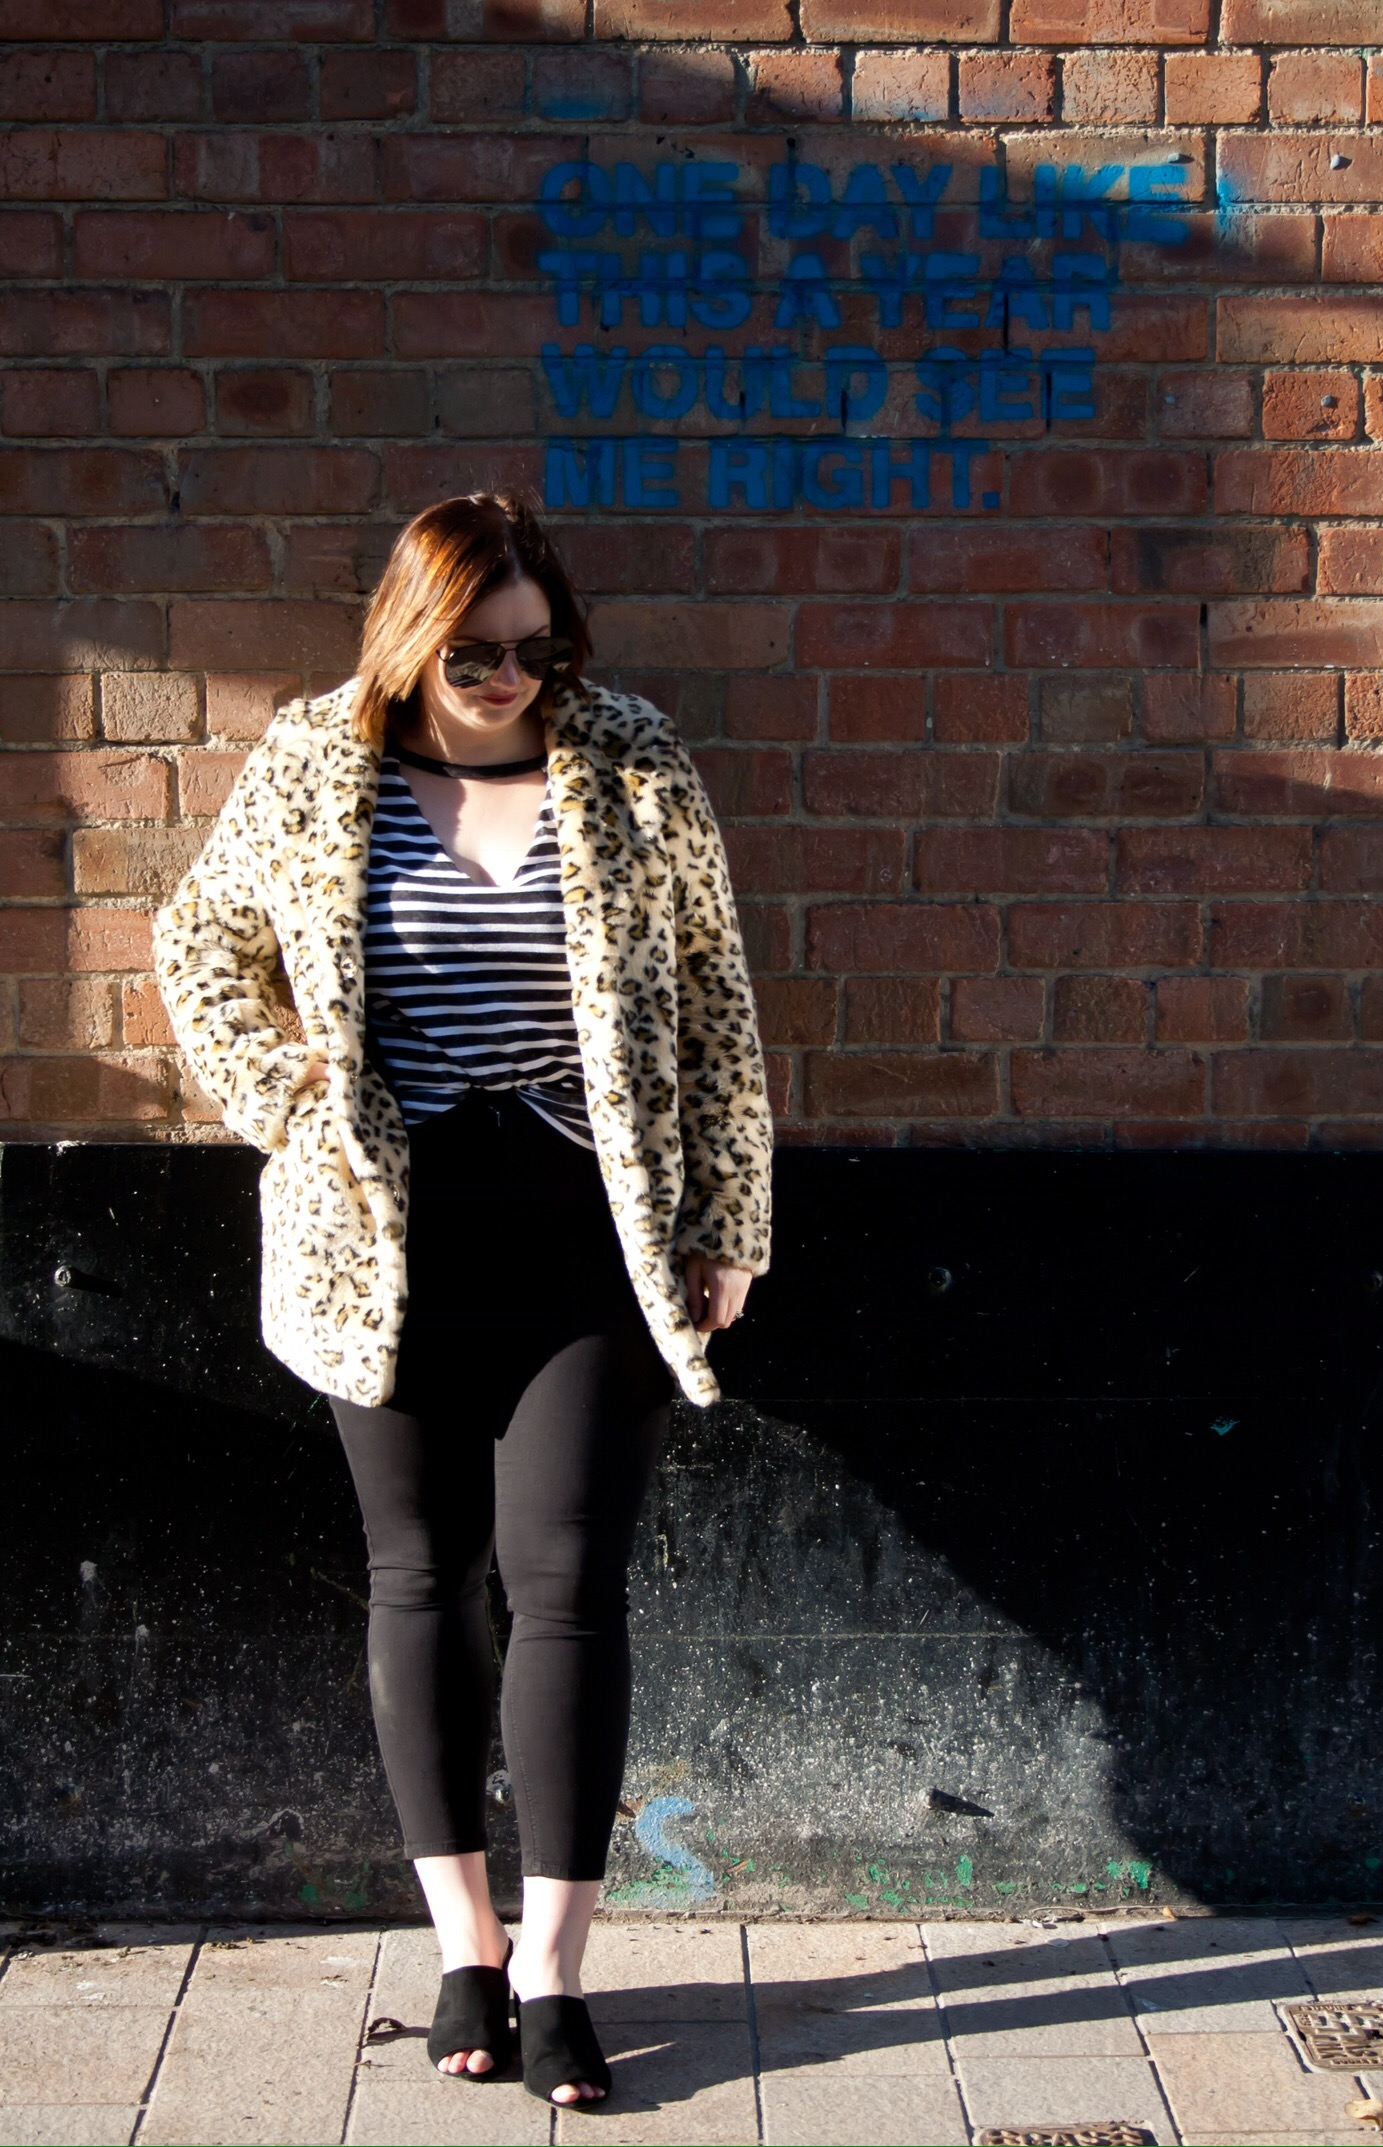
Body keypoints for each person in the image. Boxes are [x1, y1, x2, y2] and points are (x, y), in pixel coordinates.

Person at [154, 492, 774, 2106]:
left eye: (537, 648)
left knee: (566, 1584)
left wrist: (727, 1221)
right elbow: (200, 940)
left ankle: (557, 1972)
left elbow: (712, 995)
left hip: (592, 1223)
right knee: (421, 1578)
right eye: (477, 654)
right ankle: (465, 1952)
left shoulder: (630, 761)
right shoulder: (316, 760)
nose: (511, 680)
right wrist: (288, 1099)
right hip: (384, 1227)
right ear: (409, 639)